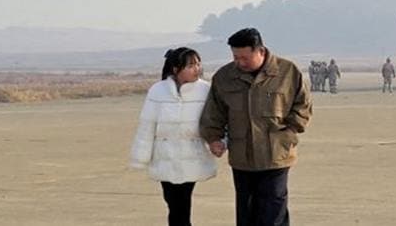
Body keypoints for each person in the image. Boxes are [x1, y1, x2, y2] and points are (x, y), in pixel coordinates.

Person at [201, 28, 312, 226]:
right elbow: (214, 112)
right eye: (235, 57)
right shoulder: (224, 77)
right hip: (242, 156)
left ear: (260, 51)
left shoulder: (287, 72)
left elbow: (303, 106)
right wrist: (213, 138)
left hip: (276, 155)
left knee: (273, 211)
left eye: (245, 58)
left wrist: (289, 132)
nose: (240, 62)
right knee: (247, 212)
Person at [130, 47, 217, 226]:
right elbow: (147, 125)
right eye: (191, 65)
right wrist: (140, 157)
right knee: (172, 202)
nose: (197, 69)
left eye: (198, 64)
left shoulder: (205, 90)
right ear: (176, 69)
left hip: (190, 156)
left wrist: (217, 142)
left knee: (181, 205)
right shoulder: (158, 91)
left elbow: (214, 121)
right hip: (165, 156)